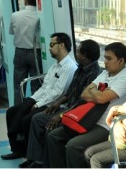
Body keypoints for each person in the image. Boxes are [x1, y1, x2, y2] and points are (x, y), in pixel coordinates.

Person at [45, 42, 126, 168]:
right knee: (53, 136)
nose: (105, 62)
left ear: (121, 61)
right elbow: (84, 94)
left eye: (109, 59)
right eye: (104, 58)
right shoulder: (105, 73)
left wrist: (95, 92)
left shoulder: (125, 79)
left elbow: (101, 98)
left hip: (105, 125)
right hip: (89, 118)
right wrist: (97, 93)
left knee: (73, 145)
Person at [19, 39, 102, 168]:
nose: (76, 54)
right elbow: (70, 92)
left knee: (50, 129)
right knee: (37, 118)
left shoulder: (95, 74)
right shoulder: (80, 69)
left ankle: (50, 164)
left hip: (78, 113)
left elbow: (82, 103)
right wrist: (57, 103)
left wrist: (61, 115)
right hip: (68, 108)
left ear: (85, 55)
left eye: (79, 51)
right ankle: (37, 159)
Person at [0, 32, 77, 160]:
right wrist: (32, 100)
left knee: (27, 119)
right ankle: (17, 149)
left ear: (61, 45)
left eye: (52, 44)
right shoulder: (55, 66)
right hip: (42, 100)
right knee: (11, 112)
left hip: (54, 105)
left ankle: (30, 155)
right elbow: (44, 87)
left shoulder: (69, 67)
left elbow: (58, 92)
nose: (49, 47)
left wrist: (37, 105)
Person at [9, 0, 42, 105]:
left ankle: (17, 111)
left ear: (25, 0)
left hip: (20, 53)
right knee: (36, 85)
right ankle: (33, 110)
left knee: (19, 86)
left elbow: (12, 32)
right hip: (36, 53)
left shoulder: (15, 15)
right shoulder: (40, 16)